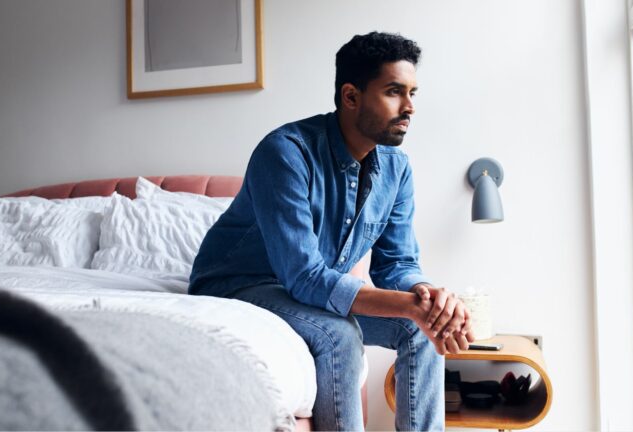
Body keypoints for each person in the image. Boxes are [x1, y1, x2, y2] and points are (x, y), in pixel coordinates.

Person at [189, 31, 474, 431]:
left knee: (419, 327)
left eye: (412, 93)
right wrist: (408, 304)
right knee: (338, 334)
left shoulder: (397, 168)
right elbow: (303, 276)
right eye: (394, 92)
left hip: (304, 289)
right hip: (240, 284)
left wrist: (426, 298)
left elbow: (399, 265)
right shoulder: (285, 152)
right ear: (351, 96)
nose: (409, 107)